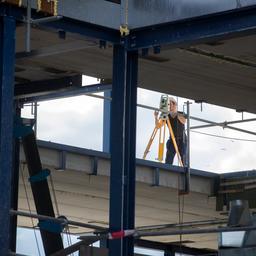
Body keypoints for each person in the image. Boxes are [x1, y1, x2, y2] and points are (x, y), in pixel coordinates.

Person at [154, 97, 187, 165]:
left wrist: (175, 114)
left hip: (182, 139)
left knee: (183, 158)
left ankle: (185, 172)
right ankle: (167, 170)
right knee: (169, 159)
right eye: (168, 104)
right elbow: (158, 126)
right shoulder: (166, 116)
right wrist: (156, 117)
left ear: (175, 104)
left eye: (170, 104)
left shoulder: (180, 113)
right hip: (172, 139)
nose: (169, 106)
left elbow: (183, 121)